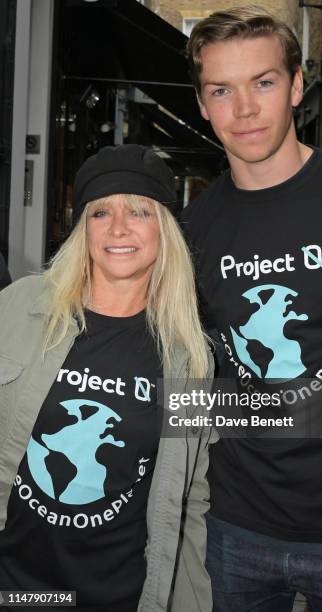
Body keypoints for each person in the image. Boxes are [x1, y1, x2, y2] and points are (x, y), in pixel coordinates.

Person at [182, 6, 322, 611]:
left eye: (263, 82)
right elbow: (196, 382)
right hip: (235, 527)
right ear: (203, 105)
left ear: (298, 86)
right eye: (221, 90)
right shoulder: (191, 232)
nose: (245, 109)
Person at [0, 145, 215, 612]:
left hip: (118, 595)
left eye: (139, 210)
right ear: (83, 229)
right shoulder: (21, 307)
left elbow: (190, 497)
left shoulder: (189, 356)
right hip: (16, 586)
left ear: (164, 229)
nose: (119, 227)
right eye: (101, 212)